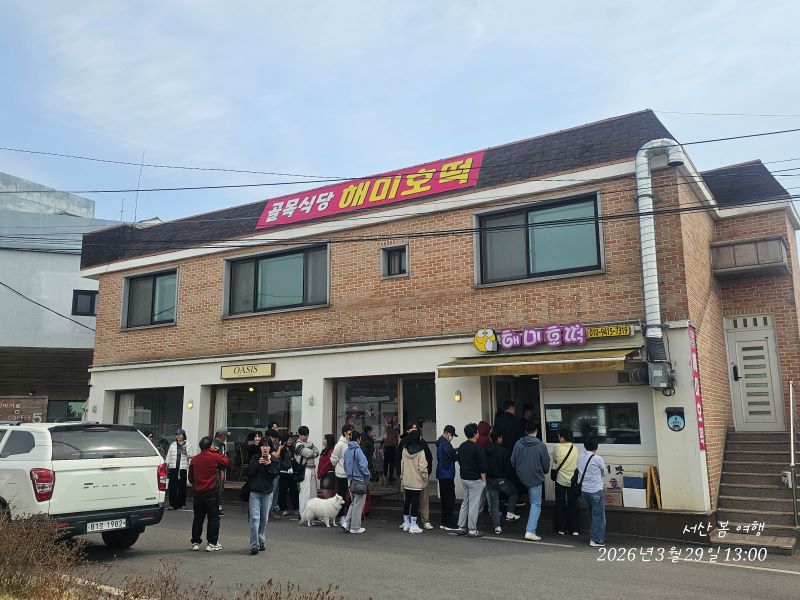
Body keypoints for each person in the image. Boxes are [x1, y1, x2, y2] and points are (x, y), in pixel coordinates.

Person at [188, 436, 230, 552]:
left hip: (198, 493)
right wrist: (218, 452)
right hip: (212, 492)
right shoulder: (215, 457)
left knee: (198, 518)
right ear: (210, 446)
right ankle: (211, 543)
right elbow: (227, 462)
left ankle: (195, 542)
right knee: (213, 518)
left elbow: (190, 478)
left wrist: (196, 484)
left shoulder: (195, 459)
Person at [511, 422, 550, 541]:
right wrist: (543, 471)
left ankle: (530, 529)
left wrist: (519, 470)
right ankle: (530, 531)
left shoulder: (518, 443)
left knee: (533, 501)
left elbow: (513, 461)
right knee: (536, 504)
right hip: (536, 478)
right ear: (536, 431)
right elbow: (546, 465)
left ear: (525, 431)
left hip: (522, 477)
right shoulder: (541, 445)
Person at [247, 441, 279, 555]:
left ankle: (261, 541)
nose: (265, 448)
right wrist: (258, 464)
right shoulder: (255, 458)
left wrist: (269, 464)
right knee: (254, 518)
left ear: (270, 448)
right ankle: (254, 545)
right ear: (260, 447)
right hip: (254, 492)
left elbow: (275, 474)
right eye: (263, 446)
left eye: (267, 446)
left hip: (267, 493)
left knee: (264, 519)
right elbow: (249, 472)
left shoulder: (274, 460)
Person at [456, 422, 487, 538]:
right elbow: (482, 465)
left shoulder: (462, 446)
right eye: (477, 432)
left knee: (465, 502)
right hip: (475, 480)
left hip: (464, 478)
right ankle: (472, 529)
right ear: (475, 434)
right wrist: (483, 481)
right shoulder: (478, 447)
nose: (478, 433)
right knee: (474, 505)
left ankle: (461, 527)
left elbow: (459, 460)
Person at [485, 431, 520, 534]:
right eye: (501, 437)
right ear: (499, 438)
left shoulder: (485, 449)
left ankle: (497, 527)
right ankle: (510, 513)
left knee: (494, 504)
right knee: (514, 492)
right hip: (501, 480)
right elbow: (508, 467)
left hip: (489, 480)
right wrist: (510, 478)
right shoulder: (503, 451)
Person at [577, 437, 607, 547]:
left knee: (591, 514)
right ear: (596, 447)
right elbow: (604, 472)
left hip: (584, 491)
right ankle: (596, 539)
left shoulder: (580, 456)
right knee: (598, 516)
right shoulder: (597, 458)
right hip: (595, 490)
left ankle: (593, 535)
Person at [341, 430, 370, 534]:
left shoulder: (347, 451)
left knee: (353, 502)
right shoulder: (358, 450)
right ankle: (355, 527)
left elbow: (344, 465)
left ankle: (346, 523)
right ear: (359, 439)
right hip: (359, 480)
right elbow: (363, 465)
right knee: (358, 504)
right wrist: (367, 475)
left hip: (350, 480)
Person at [400, 429, 428, 534]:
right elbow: (422, 467)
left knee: (407, 502)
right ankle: (413, 525)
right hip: (416, 481)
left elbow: (402, 464)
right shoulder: (420, 451)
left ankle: (406, 524)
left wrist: (402, 475)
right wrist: (425, 477)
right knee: (415, 503)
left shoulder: (404, 450)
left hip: (407, 480)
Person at [552, 427, 579, 536]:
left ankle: (561, 528)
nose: (558, 438)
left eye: (559, 436)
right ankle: (575, 529)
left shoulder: (557, 447)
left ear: (562, 438)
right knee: (573, 504)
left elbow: (555, 460)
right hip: (572, 480)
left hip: (560, 480)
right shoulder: (575, 448)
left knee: (560, 504)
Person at [436, 425, 459, 531]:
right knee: (450, 499)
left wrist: (454, 450)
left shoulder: (441, 442)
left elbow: (447, 454)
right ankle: (449, 523)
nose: (452, 437)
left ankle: (444, 522)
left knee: (444, 499)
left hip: (442, 473)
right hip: (447, 474)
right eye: (452, 435)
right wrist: (458, 452)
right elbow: (453, 457)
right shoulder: (445, 443)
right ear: (447, 433)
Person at [294, 426, 320, 518]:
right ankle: (303, 514)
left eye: (307, 435)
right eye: (305, 435)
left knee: (313, 492)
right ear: (300, 435)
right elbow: (309, 453)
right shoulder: (298, 444)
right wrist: (312, 452)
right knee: (305, 492)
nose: (307, 437)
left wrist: (312, 452)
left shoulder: (309, 442)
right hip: (304, 469)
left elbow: (317, 451)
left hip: (311, 468)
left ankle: (312, 514)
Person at [330, 424, 354, 522]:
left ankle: (347, 515)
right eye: (350, 432)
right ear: (345, 433)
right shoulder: (340, 444)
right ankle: (341, 515)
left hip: (349, 473)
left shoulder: (349, 443)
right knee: (341, 495)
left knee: (348, 495)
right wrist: (339, 467)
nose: (351, 434)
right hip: (341, 474)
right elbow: (333, 458)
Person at [166, 429, 193, 510]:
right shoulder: (173, 445)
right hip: (173, 467)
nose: (178, 436)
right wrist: (166, 464)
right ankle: (172, 504)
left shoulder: (188, 445)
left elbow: (191, 456)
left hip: (182, 468)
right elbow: (169, 455)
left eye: (180, 434)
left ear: (183, 435)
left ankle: (182, 503)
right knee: (172, 486)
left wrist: (185, 451)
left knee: (182, 486)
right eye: (177, 435)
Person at [278, 436, 299, 516]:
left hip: (291, 472)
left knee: (294, 490)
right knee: (282, 491)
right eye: (289, 440)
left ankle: (296, 508)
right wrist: (288, 466)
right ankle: (283, 508)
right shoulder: (281, 449)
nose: (290, 441)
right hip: (283, 472)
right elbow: (280, 461)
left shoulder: (293, 449)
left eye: (291, 440)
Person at [212, 427, 229, 516]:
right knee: (217, 488)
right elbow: (217, 458)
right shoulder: (215, 444)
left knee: (220, 487)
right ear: (221, 435)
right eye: (225, 435)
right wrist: (221, 470)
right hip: (217, 469)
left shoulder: (222, 444)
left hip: (221, 469)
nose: (226, 437)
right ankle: (216, 507)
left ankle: (218, 505)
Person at [317, 433, 338, 498]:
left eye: (325, 439)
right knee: (324, 494)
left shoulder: (331, 451)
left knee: (327, 496)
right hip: (323, 475)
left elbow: (328, 464)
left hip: (329, 475)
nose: (323, 440)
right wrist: (319, 472)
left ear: (328, 440)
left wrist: (320, 473)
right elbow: (320, 463)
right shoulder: (324, 451)